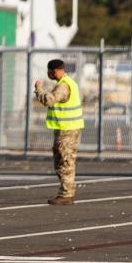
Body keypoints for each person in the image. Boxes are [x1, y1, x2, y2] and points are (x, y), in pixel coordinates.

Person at [34, 58, 83, 205]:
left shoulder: (63, 86)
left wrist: (38, 89)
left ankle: (66, 194)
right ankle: (65, 192)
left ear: (55, 71)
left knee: (66, 160)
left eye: (50, 72)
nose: (49, 74)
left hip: (67, 129)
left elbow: (49, 100)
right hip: (64, 128)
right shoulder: (67, 83)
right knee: (60, 159)